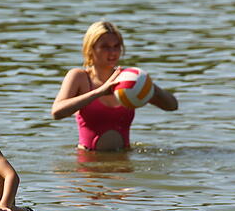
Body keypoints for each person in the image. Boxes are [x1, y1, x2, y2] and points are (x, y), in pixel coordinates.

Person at [51, 20, 178, 151]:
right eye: (105, 46)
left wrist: (149, 86)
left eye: (116, 46)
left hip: (123, 161)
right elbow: (56, 112)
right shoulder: (79, 77)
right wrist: (99, 92)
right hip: (88, 163)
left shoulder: (128, 80)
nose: (112, 52)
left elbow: (172, 106)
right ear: (90, 49)